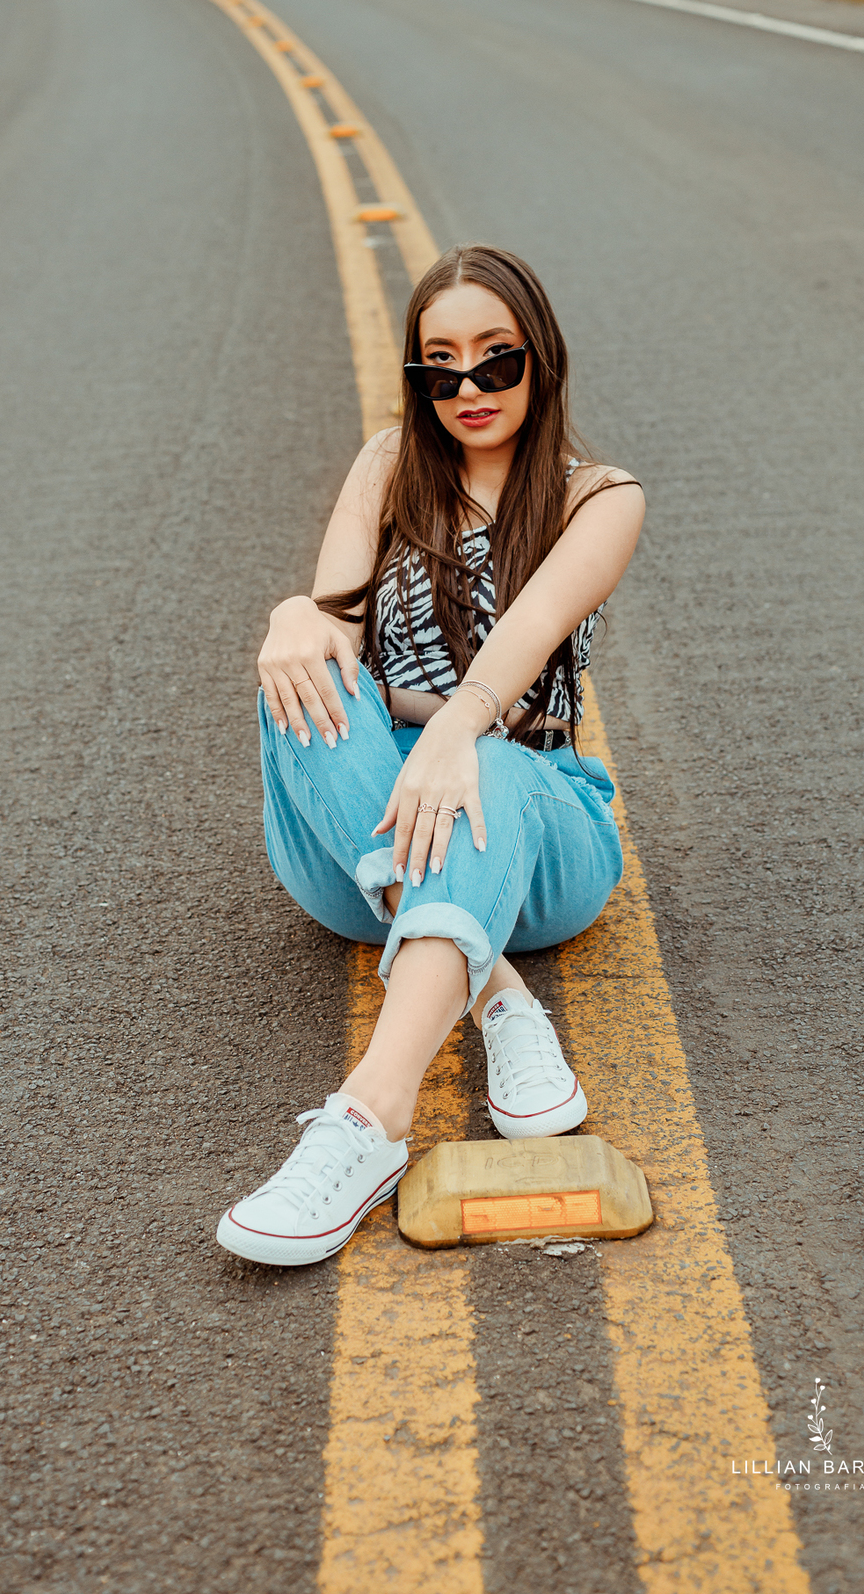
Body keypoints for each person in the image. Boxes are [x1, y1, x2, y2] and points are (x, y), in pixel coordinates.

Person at [216, 244, 645, 1268]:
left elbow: (523, 641)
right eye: (438, 367)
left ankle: (369, 1121)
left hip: (541, 825)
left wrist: (456, 730)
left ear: (540, 357)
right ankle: (494, 989)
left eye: (495, 360)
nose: (468, 388)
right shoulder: (386, 468)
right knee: (303, 680)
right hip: (364, 830)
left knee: (485, 758)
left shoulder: (602, 498)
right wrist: (289, 615)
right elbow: (333, 624)